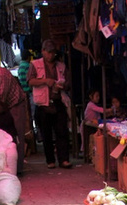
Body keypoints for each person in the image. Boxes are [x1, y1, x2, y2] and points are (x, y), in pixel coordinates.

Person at [28, 39, 72, 169]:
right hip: (43, 103)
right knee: (46, 133)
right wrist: (45, 81)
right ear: (43, 51)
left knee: (62, 132)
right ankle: (50, 161)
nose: (50, 55)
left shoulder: (61, 66)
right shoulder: (35, 65)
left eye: (52, 52)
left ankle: (64, 159)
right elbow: (30, 81)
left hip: (58, 101)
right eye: (48, 52)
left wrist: (62, 85)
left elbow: (68, 84)